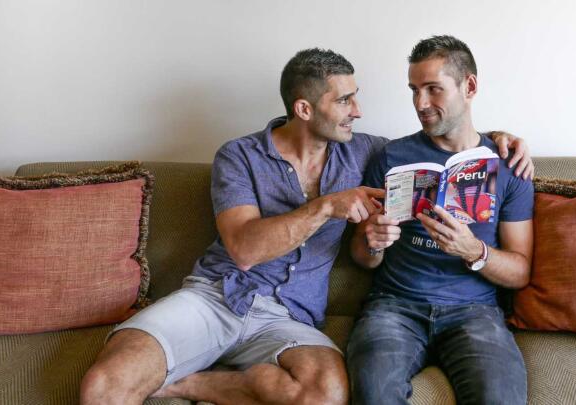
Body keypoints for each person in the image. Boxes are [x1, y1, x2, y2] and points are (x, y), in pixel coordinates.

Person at [80, 47, 532, 405]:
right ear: (304, 108)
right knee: (103, 386)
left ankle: (194, 385)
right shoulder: (239, 156)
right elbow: (244, 248)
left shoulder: (365, 151)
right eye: (344, 100)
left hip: (291, 317)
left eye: (355, 96)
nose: (358, 110)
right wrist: (329, 211)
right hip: (217, 295)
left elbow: (451, 138)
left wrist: (501, 139)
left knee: (329, 395)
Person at [347, 35, 534, 405]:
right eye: (414, 90)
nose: (420, 103)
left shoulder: (508, 165)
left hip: (475, 312)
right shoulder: (390, 157)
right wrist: (372, 241)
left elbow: (520, 271)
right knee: (374, 395)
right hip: (394, 305)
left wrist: (474, 250)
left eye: (433, 89)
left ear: (469, 86)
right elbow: (360, 257)